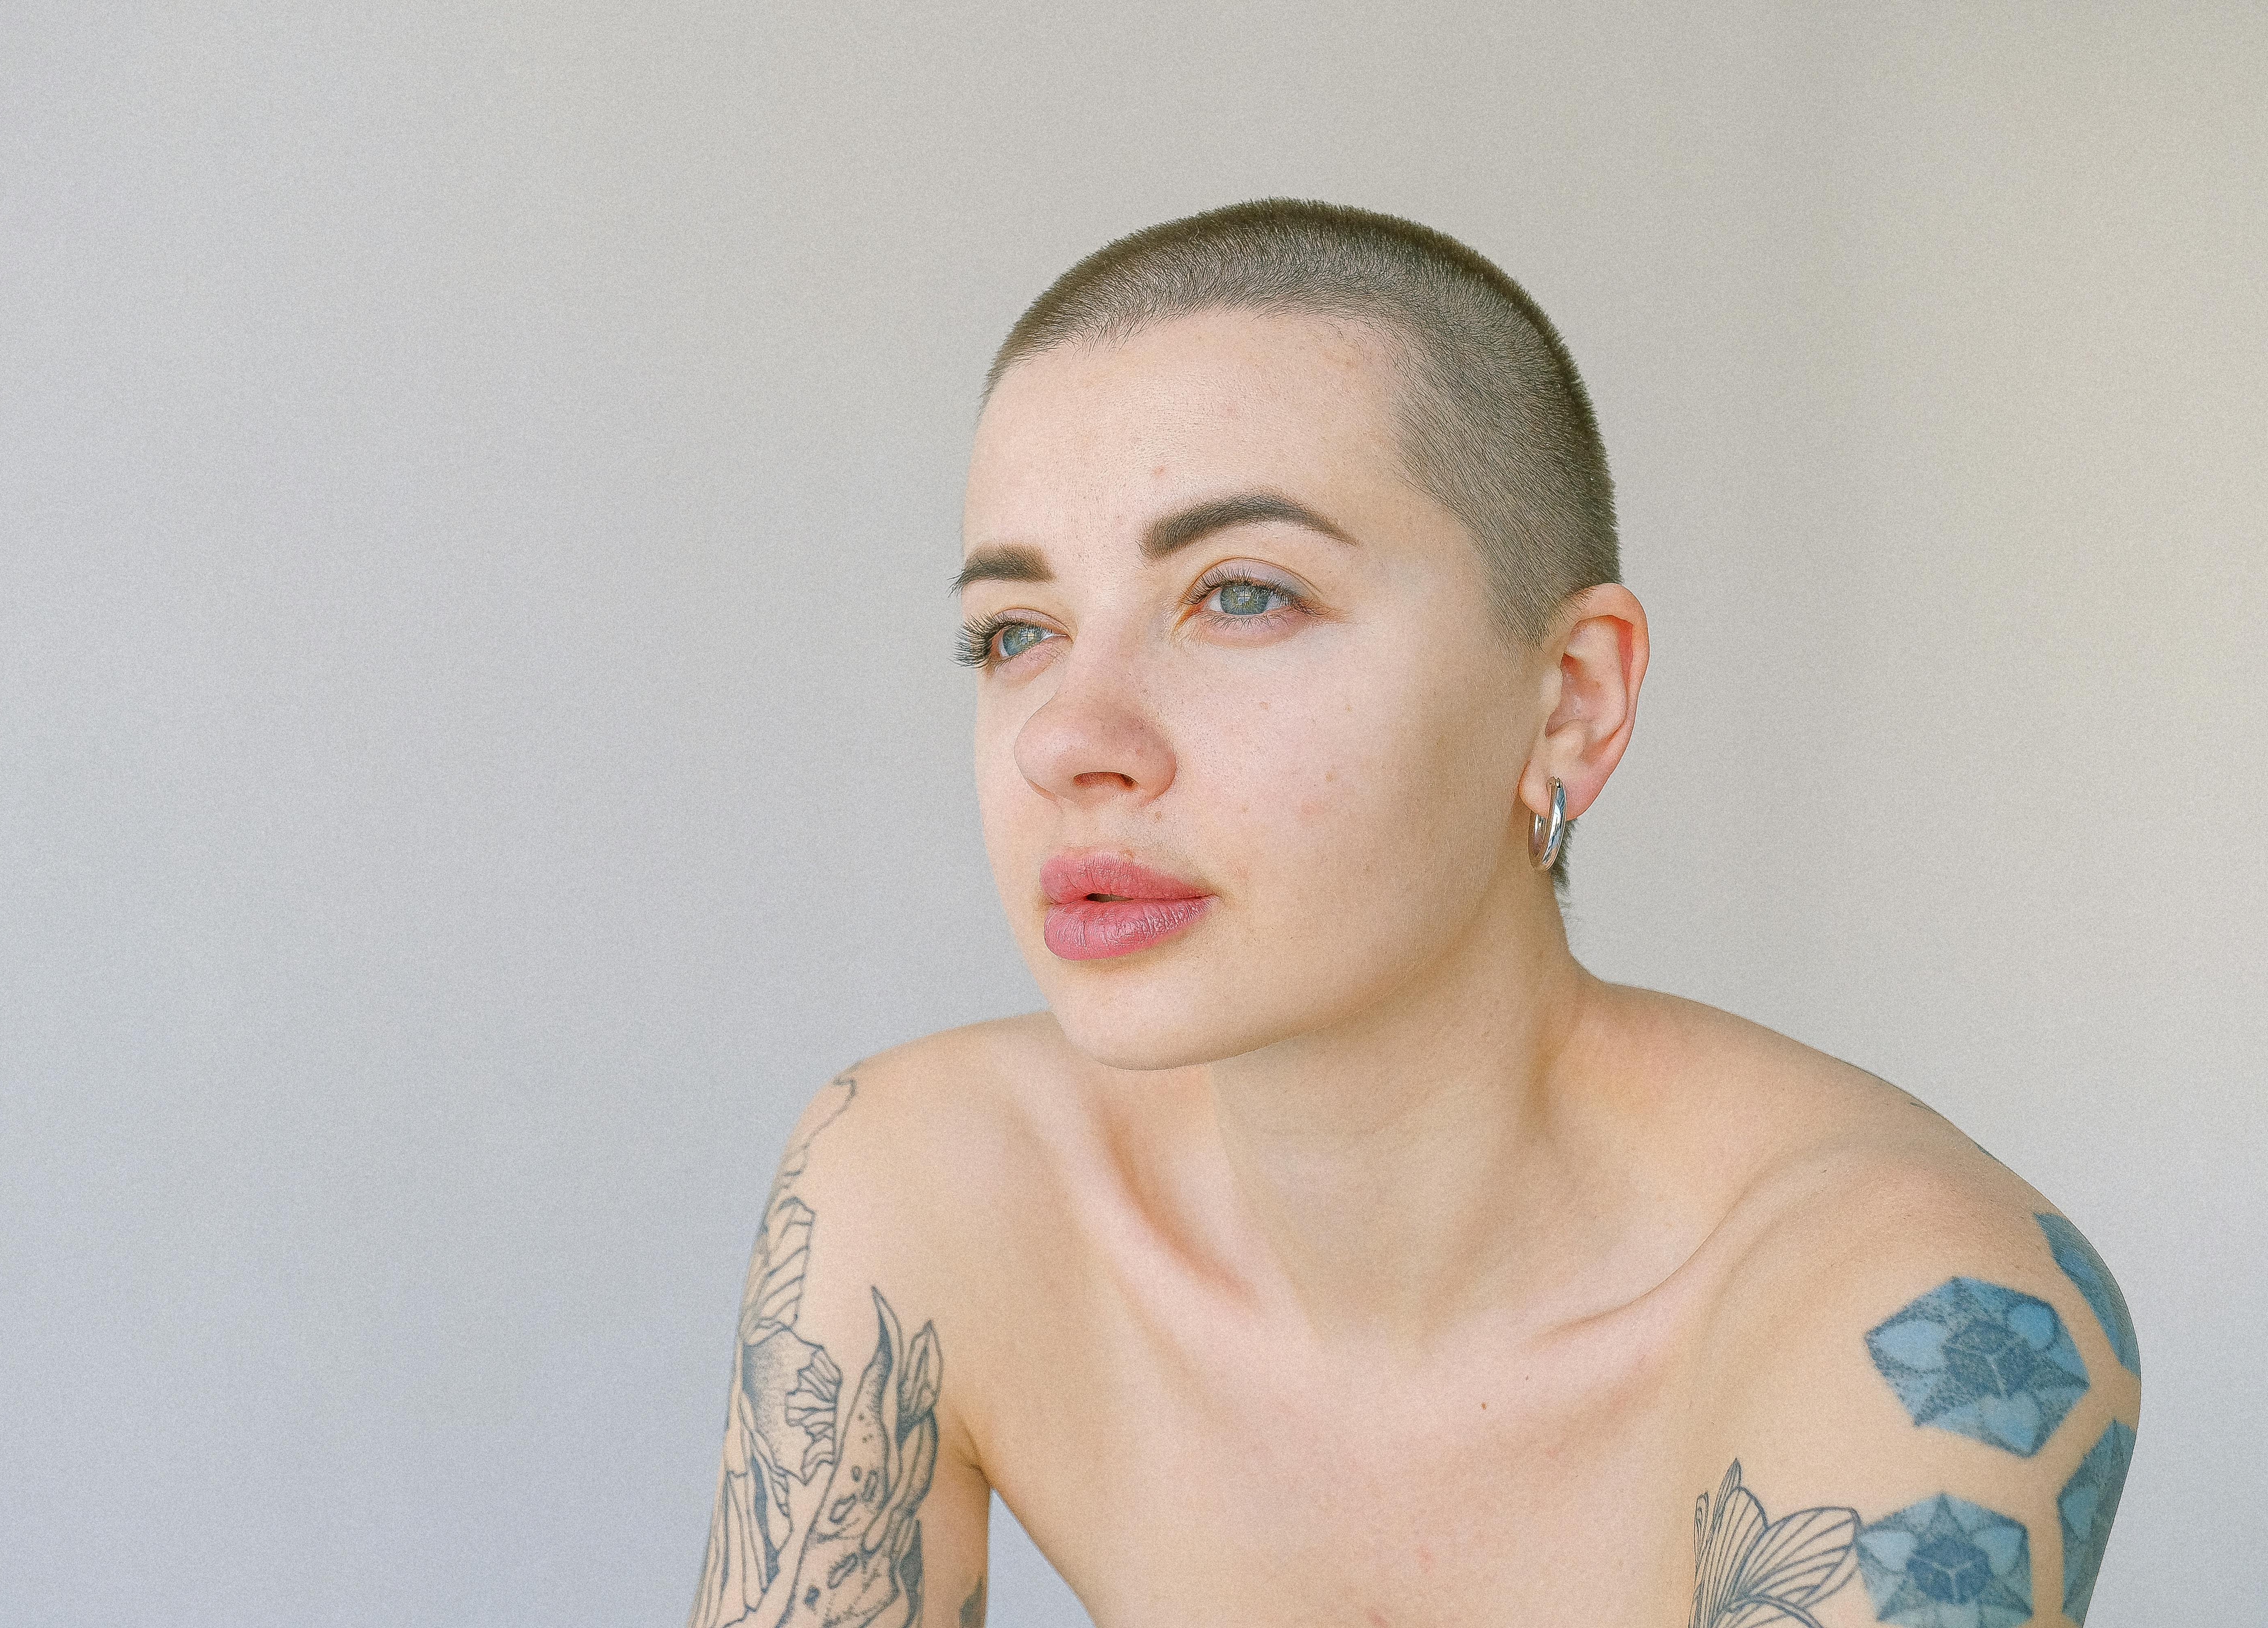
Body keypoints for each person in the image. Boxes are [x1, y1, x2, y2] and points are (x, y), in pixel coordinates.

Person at [684, 200, 2141, 1628]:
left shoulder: (1921, 1317)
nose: (1069, 738)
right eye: (1018, 632)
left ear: (1571, 699)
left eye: (1242, 596)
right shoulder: (929, 1182)